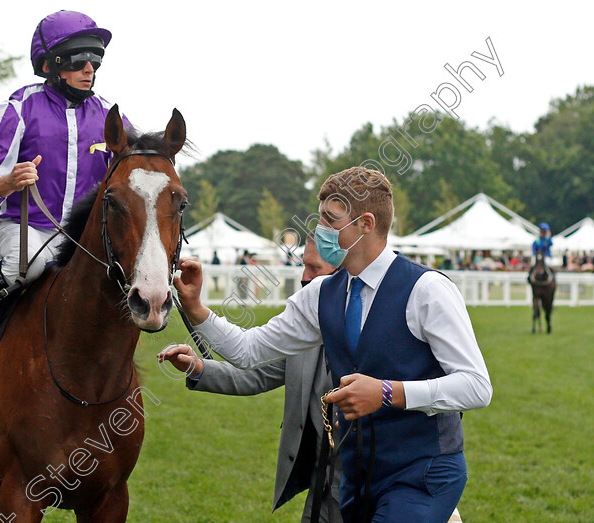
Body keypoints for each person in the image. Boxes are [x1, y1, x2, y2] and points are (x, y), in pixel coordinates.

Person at [162, 166, 492, 522]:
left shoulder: (428, 289)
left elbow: (476, 387)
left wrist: (386, 392)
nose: (320, 231)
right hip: (355, 477)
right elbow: (248, 351)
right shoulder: (320, 294)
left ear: (366, 224)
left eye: (330, 220)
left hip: (423, 474)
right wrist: (196, 309)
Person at [0, 10, 129, 359]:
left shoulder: (110, 116)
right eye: (80, 58)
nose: (90, 68)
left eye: (96, 58)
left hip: (84, 239)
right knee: (25, 267)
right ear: (51, 63)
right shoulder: (16, 110)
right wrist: (6, 183)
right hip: (27, 232)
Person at [165, 238, 342, 522]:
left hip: (368, 486)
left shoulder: (376, 328)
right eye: (303, 265)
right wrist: (198, 367)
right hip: (322, 484)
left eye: (314, 268)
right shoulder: (302, 330)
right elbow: (255, 372)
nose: (304, 276)